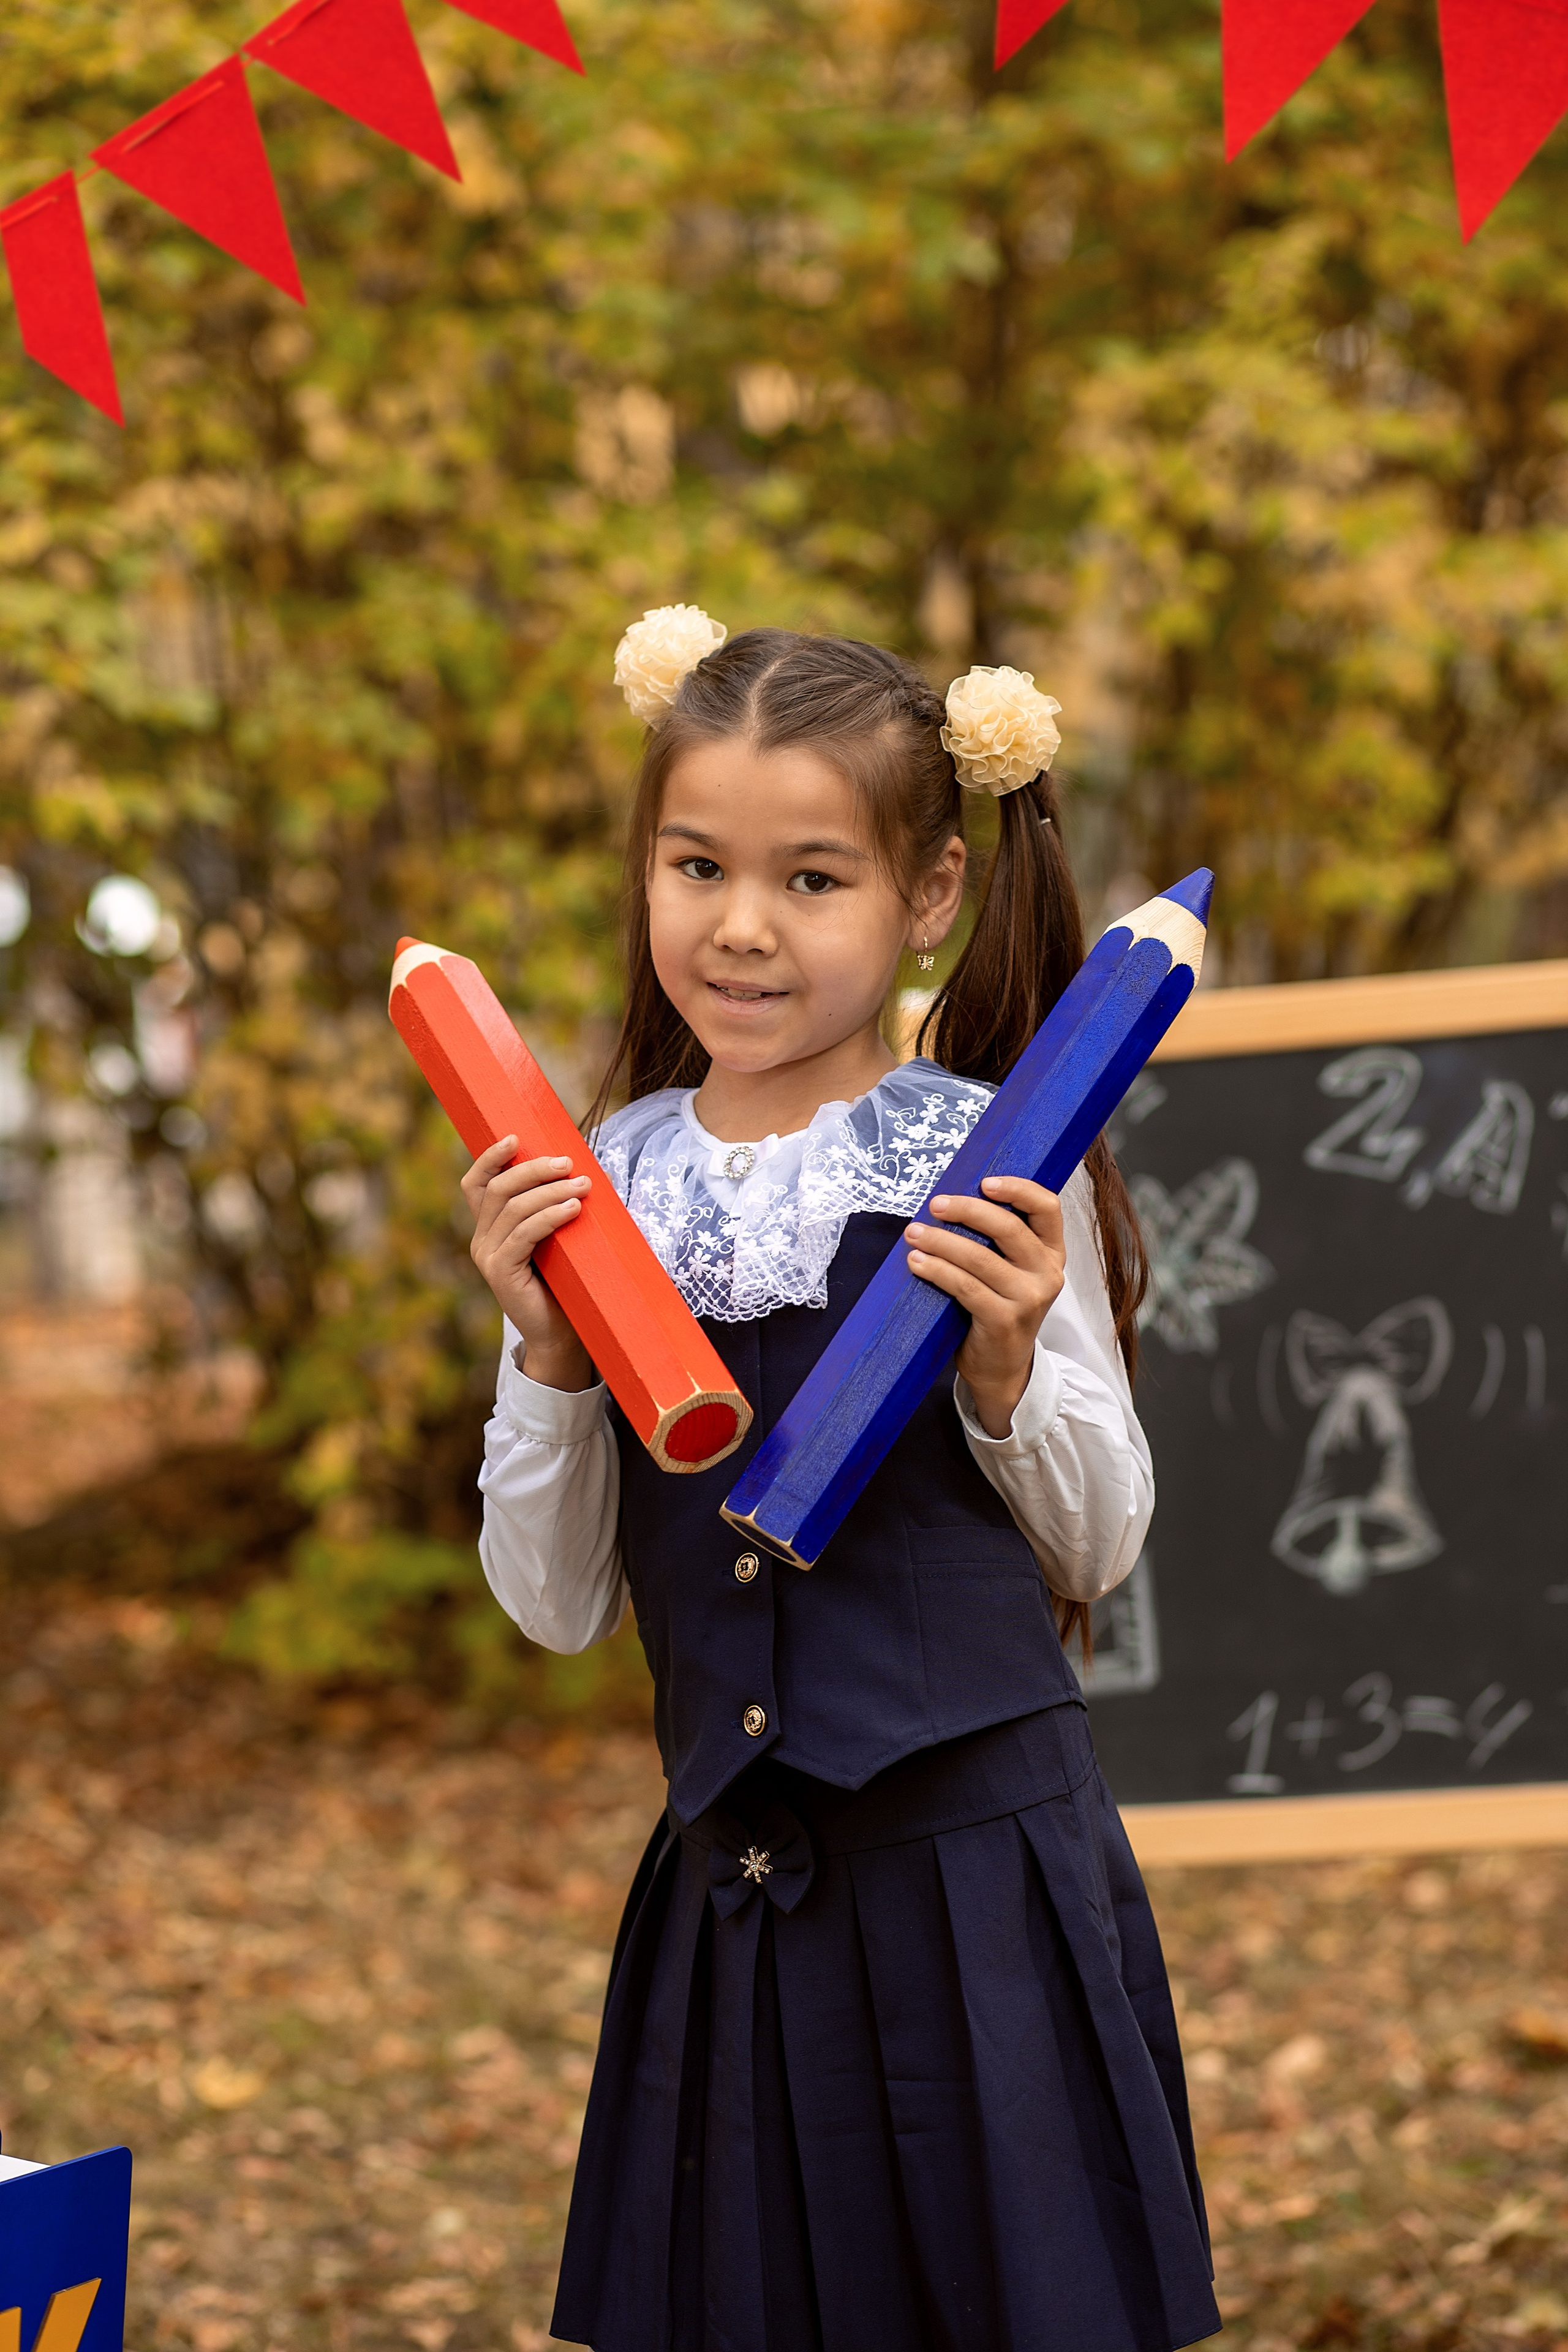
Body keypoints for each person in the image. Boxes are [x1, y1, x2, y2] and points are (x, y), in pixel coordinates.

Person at [466, 612, 1219, 2352]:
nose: (740, 926)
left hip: (977, 1888)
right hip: (735, 1888)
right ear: (645, 871)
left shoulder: (992, 1162)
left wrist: (1011, 1362)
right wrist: (547, 1353)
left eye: (813, 879)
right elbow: (559, 1602)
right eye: (697, 865)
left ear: (929, 893)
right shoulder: (598, 1195)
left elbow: (1104, 1537)